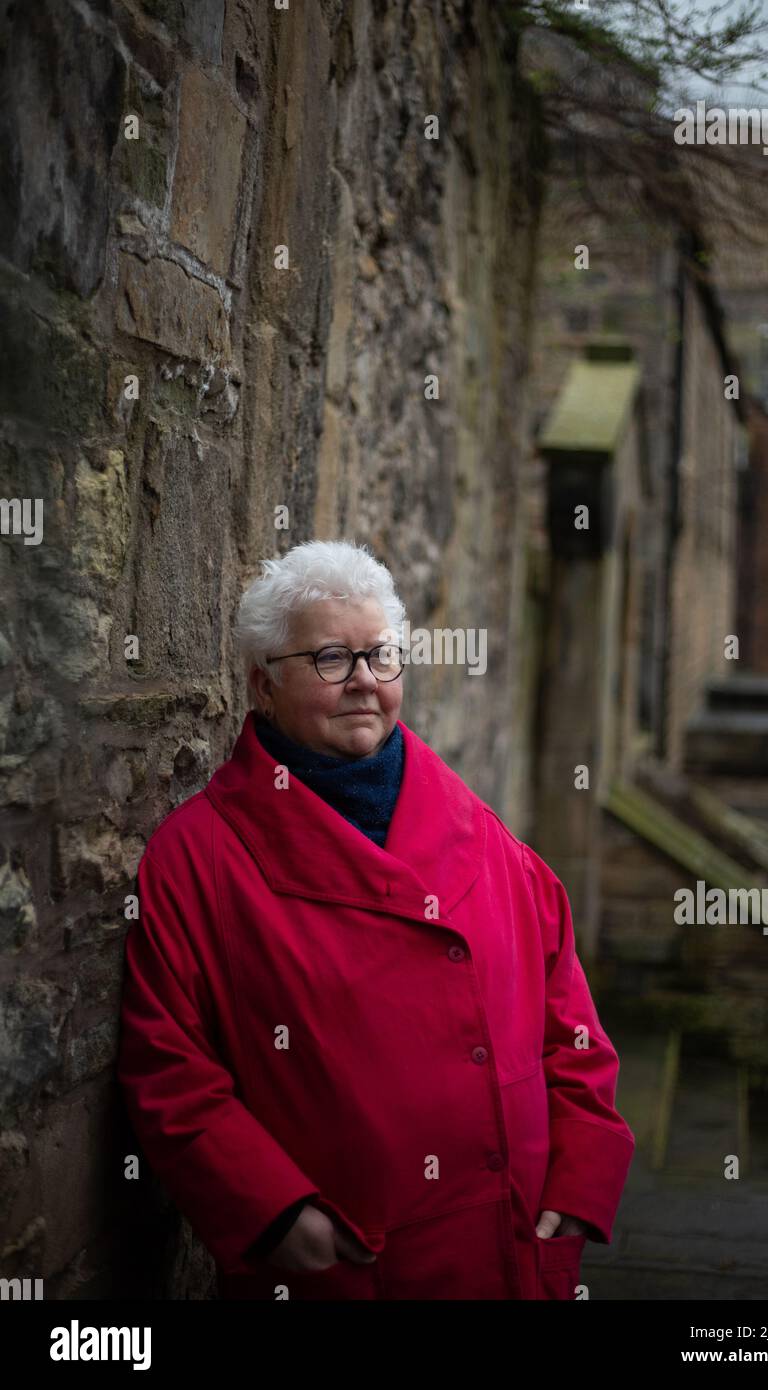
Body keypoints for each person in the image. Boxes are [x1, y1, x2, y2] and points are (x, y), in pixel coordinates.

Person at [117, 538, 635, 1299]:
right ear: (262, 685)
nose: (364, 681)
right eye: (331, 659)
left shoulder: (484, 836)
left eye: (381, 657)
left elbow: (573, 1030)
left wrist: (580, 1183)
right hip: (354, 1266)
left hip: (513, 1244)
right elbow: (169, 1067)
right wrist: (272, 1212)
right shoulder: (198, 858)